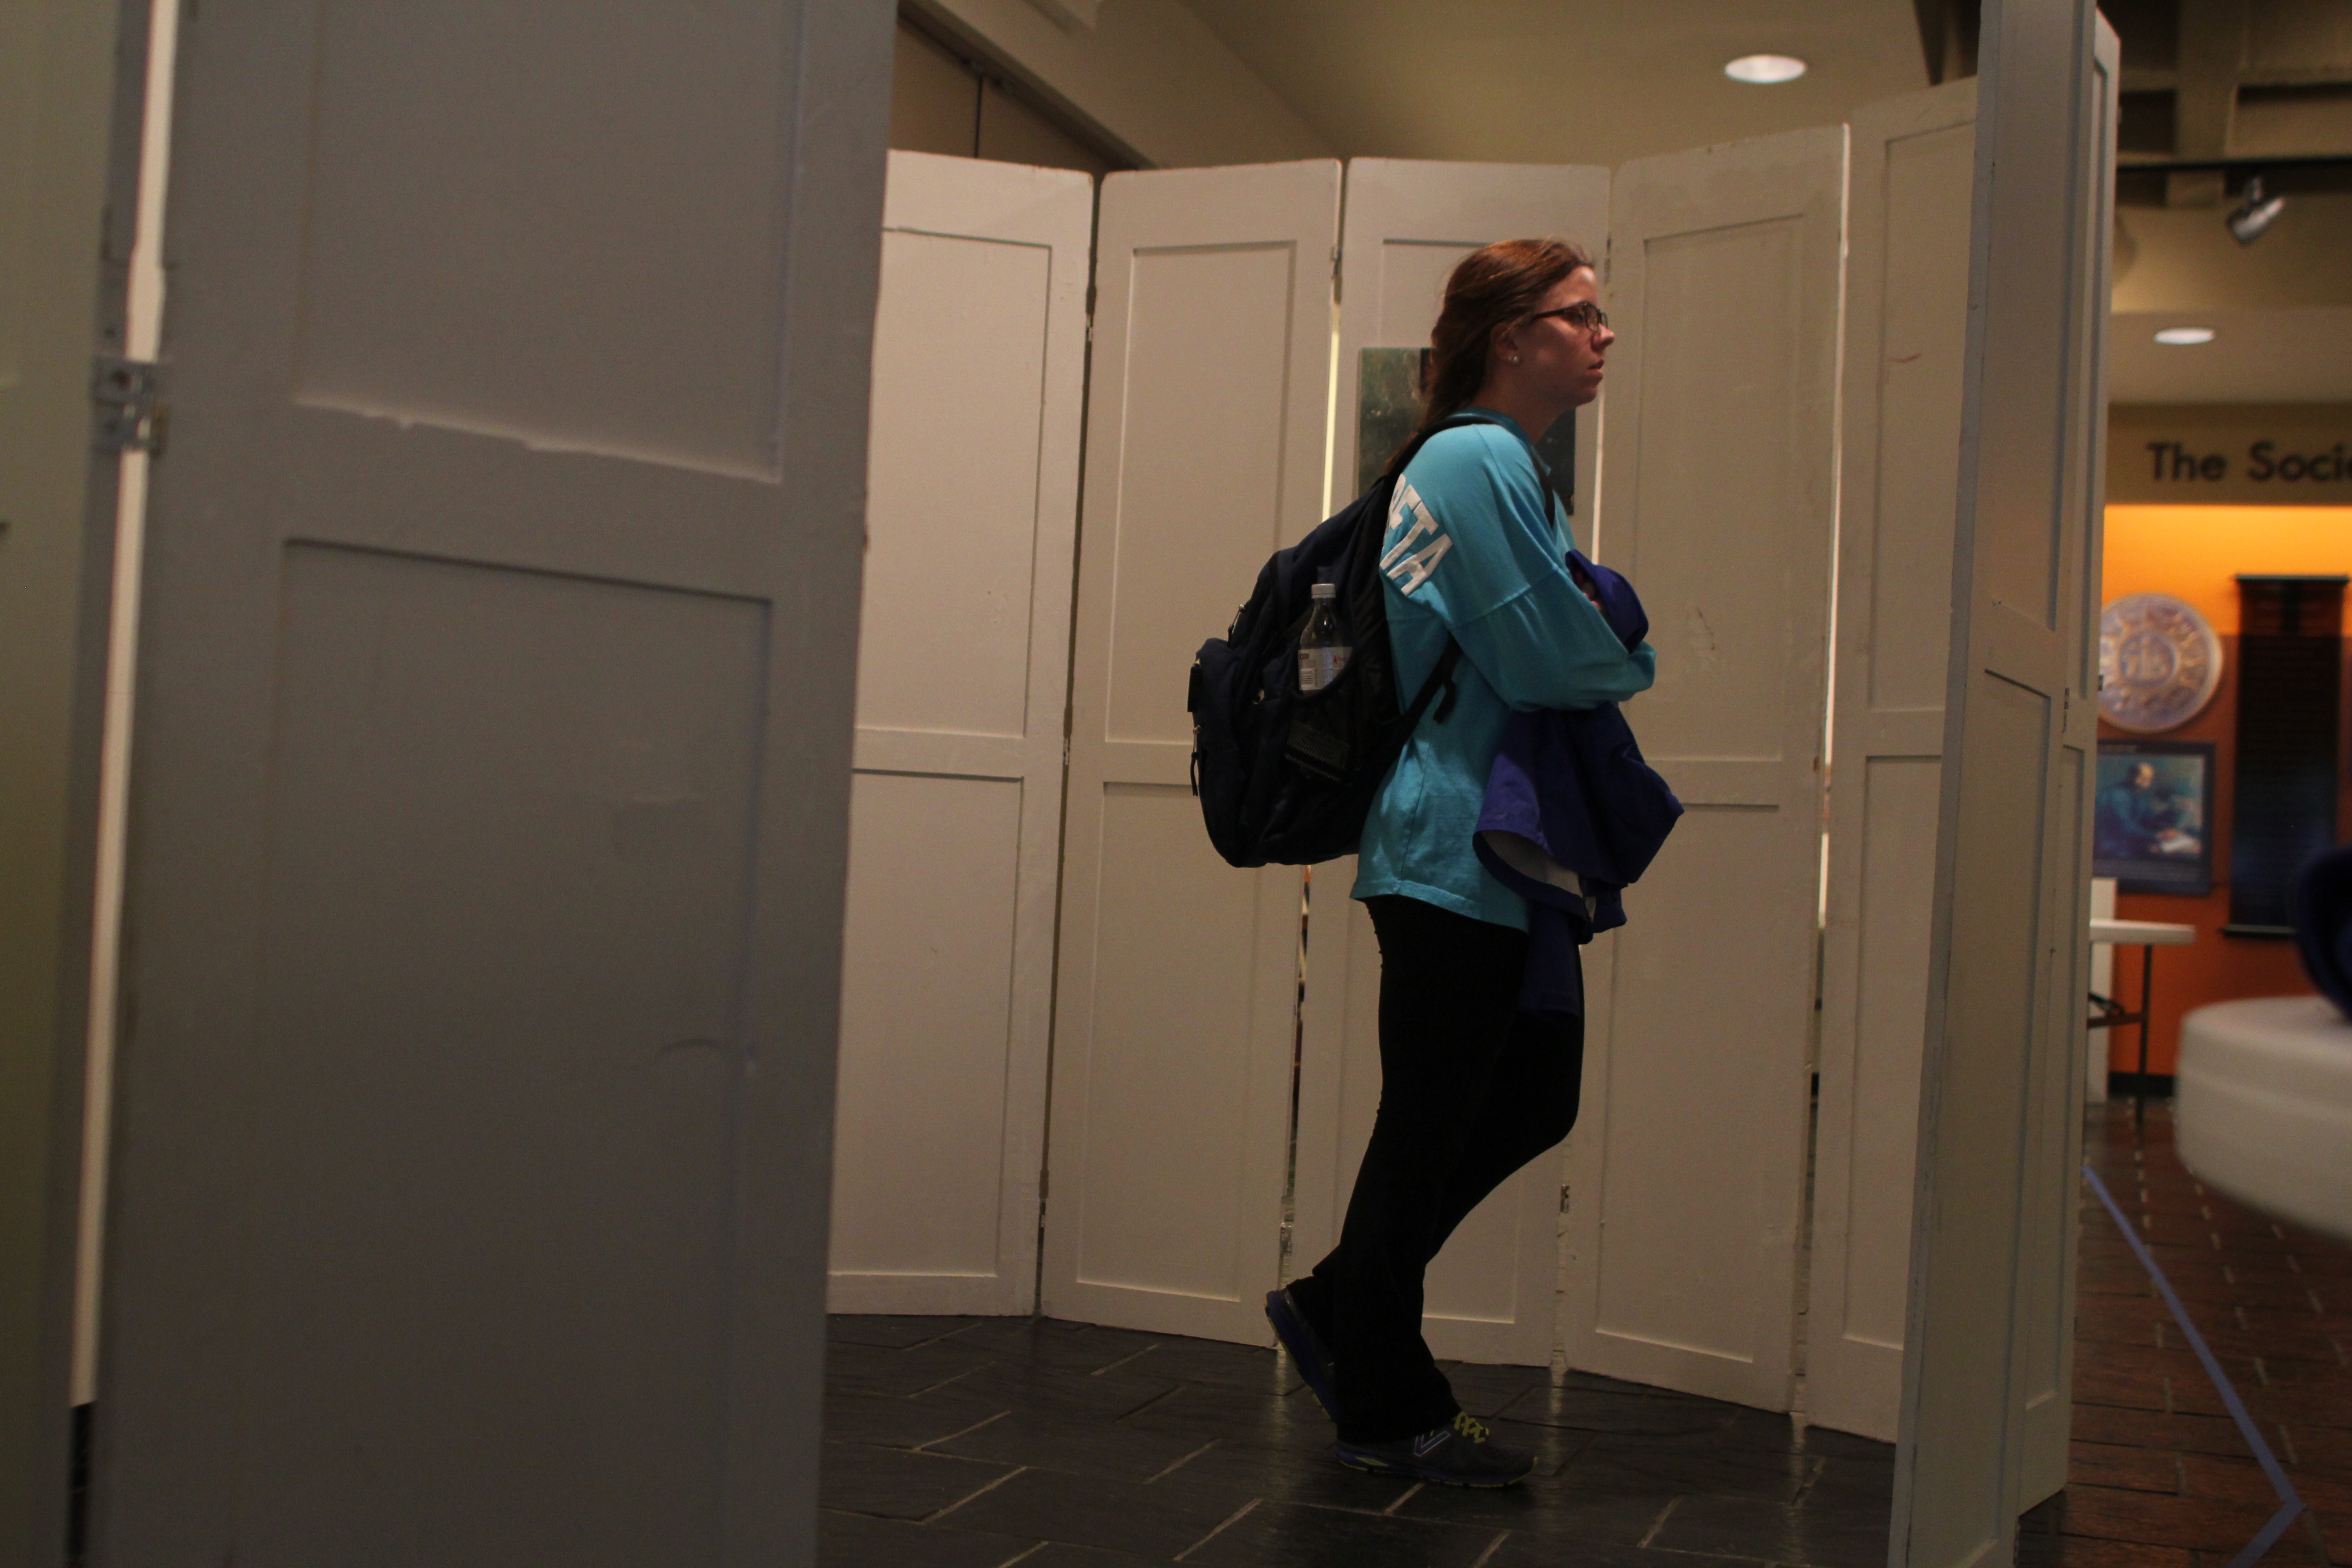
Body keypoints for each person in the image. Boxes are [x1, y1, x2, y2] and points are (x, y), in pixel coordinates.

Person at [1265, 239, 1656, 1486]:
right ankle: (1386, 1402)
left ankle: (1341, 1305)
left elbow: (1541, 637)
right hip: (1449, 847)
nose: (1603, 335)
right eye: (1580, 315)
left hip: (1489, 852)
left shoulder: (1508, 467)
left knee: (1527, 1095)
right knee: (1431, 1125)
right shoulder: (1478, 456)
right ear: (1511, 337)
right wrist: (1627, 651)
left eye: (1602, 316)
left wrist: (1591, 625)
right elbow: (1553, 657)